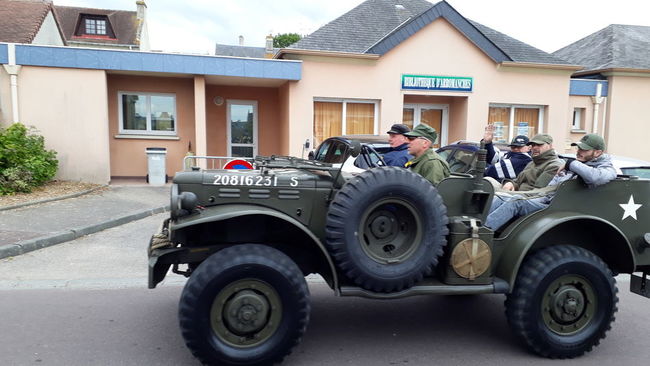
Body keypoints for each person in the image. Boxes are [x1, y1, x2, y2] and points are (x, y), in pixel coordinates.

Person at [485, 134, 616, 230]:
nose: (579, 152)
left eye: (584, 150)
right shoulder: (574, 164)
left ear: (598, 152)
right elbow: (548, 189)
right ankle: (479, 226)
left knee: (515, 202)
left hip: (558, 210)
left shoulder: (605, 168)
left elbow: (597, 177)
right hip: (549, 202)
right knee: (502, 197)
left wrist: (571, 164)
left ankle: (483, 232)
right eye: (579, 148)